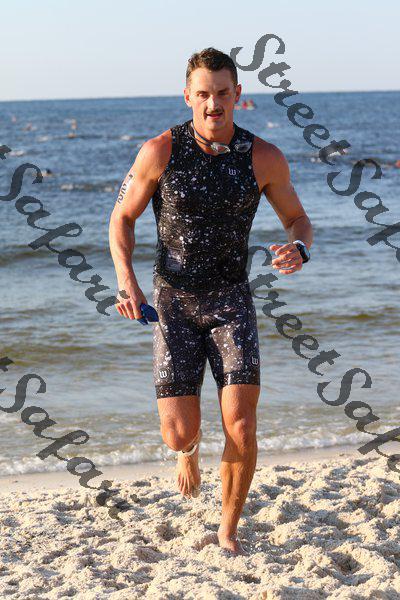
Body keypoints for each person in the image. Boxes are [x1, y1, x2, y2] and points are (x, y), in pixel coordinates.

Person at [109, 47, 313, 555]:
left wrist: (300, 248)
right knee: (179, 433)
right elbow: (122, 218)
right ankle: (188, 451)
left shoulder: (263, 157)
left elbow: (297, 219)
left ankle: (228, 529)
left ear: (238, 94)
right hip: (173, 304)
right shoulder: (159, 151)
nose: (213, 103)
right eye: (203, 94)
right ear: (188, 96)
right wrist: (127, 282)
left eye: (223, 93)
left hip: (231, 302)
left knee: (241, 423)